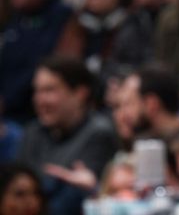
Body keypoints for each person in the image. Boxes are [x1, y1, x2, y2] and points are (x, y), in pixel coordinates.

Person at [17, 57, 117, 213]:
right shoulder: (33, 131)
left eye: (49, 90)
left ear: (80, 93)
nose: (39, 100)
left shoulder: (99, 134)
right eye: (37, 91)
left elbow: (71, 204)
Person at [1, 0, 72, 123]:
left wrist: (5, 101)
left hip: (35, 119)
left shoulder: (66, 20)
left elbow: (52, 71)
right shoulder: (14, 21)